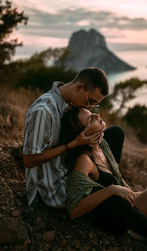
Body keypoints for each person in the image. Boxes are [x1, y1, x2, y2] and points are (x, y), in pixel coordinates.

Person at [60, 107, 147, 251]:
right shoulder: (84, 160)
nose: (97, 115)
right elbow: (74, 210)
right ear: (83, 134)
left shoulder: (101, 146)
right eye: (90, 119)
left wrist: (131, 194)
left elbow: (118, 177)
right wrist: (112, 190)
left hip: (127, 208)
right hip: (118, 219)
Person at [23, 67, 124, 209]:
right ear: (79, 87)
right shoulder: (43, 111)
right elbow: (29, 160)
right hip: (58, 186)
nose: (91, 107)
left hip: (72, 166)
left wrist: (97, 131)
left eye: (95, 104)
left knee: (115, 133)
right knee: (115, 198)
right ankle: (113, 189)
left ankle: (113, 182)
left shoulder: (69, 102)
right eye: (91, 101)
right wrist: (74, 144)